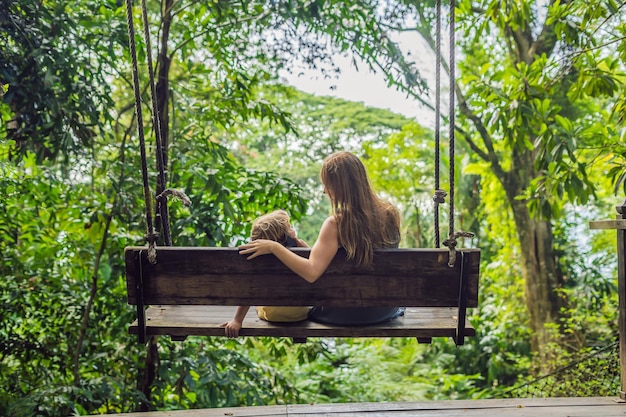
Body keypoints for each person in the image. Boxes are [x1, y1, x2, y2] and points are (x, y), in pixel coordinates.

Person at [239, 151, 404, 326]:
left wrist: (274, 247)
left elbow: (311, 272)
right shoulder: (390, 213)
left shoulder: (335, 224)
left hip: (342, 313)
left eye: (328, 185)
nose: (325, 191)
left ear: (341, 186)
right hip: (384, 310)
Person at [221, 210, 310, 337]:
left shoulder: (258, 260)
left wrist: (237, 320)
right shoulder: (298, 249)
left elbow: (249, 290)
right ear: (286, 236)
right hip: (300, 313)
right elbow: (313, 264)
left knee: (260, 298)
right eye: (289, 226)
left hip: (271, 314)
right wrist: (297, 241)